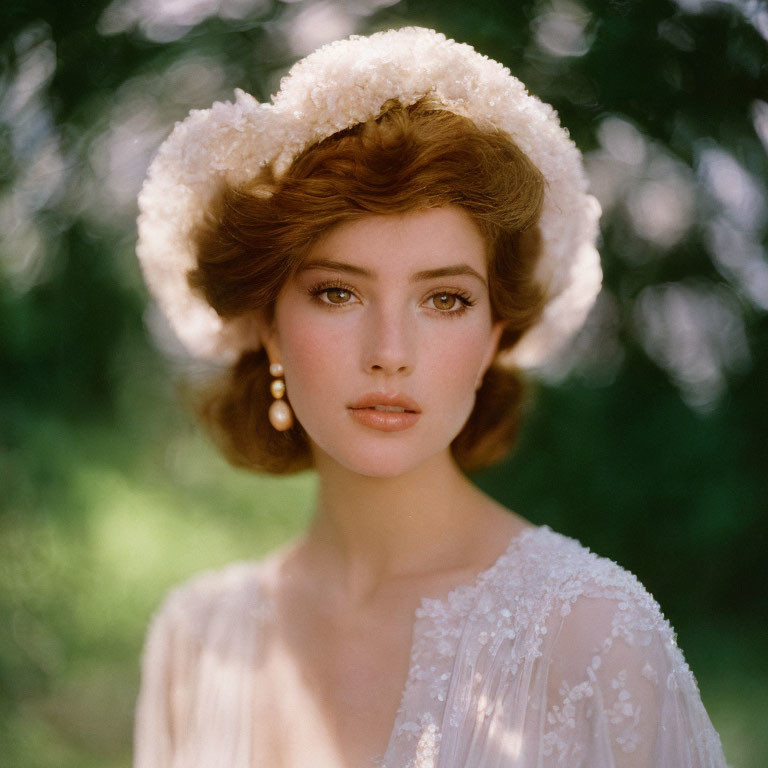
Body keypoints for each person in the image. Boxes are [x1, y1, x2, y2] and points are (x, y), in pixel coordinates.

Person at [132, 27, 729, 768]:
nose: (390, 353)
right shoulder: (195, 638)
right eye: (338, 292)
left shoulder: (592, 635)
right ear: (270, 327)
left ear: (491, 339)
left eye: (444, 300)